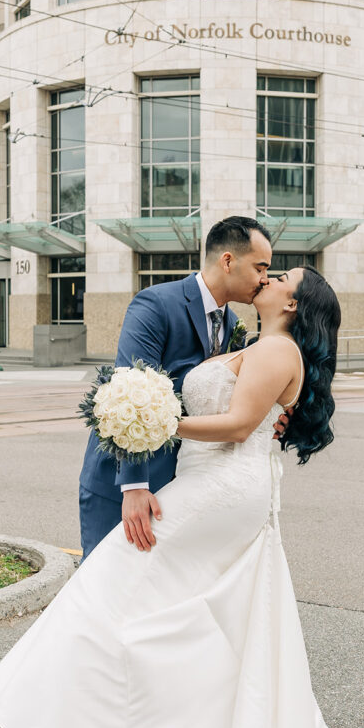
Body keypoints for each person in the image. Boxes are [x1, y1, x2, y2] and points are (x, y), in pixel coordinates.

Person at [0, 265, 364, 728]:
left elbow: (241, 425)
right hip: (205, 482)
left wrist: (153, 422)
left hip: (221, 491)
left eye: (278, 277)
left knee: (111, 590)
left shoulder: (276, 347)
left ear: (293, 304)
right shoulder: (256, 345)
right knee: (179, 621)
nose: (266, 279)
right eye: (264, 268)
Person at [78, 215, 274, 561]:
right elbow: (130, 390)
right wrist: (135, 487)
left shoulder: (232, 325)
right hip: (122, 486)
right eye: (260, 267)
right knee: (104, 587)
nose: (265, 279)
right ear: (227, 261)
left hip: (182, 485)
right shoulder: (156, 304)